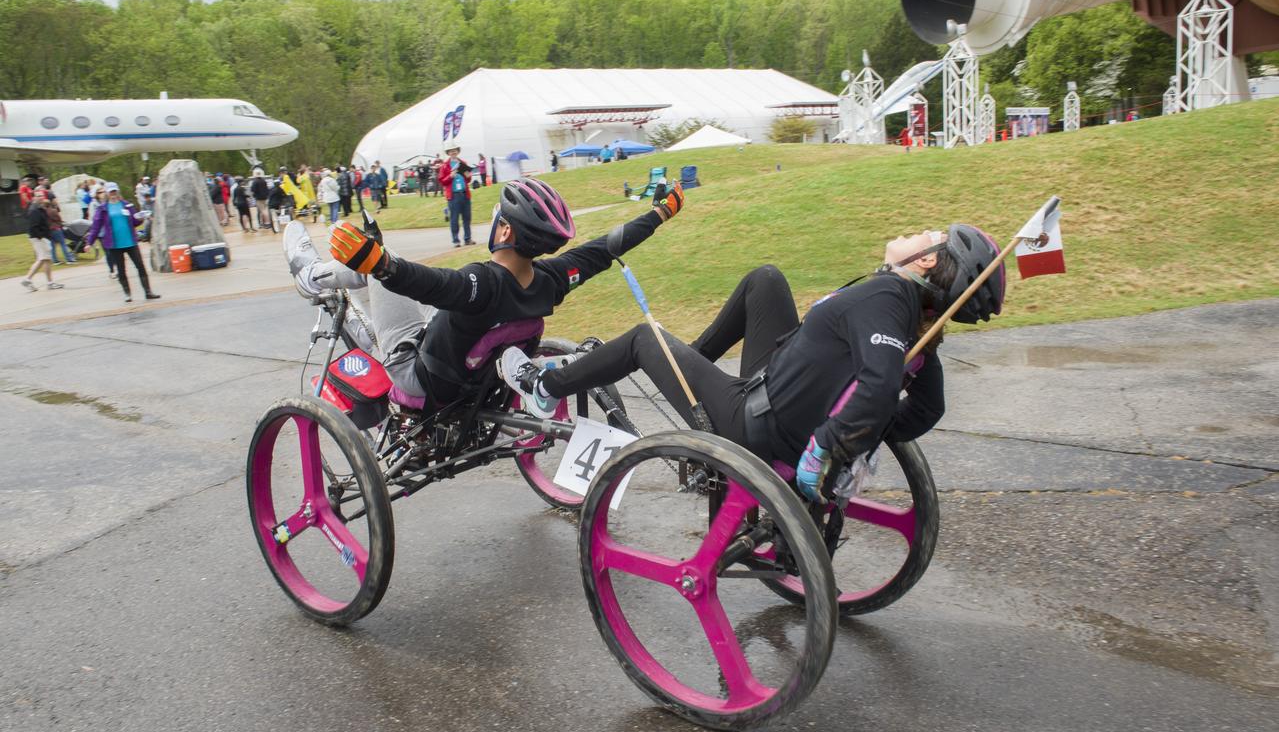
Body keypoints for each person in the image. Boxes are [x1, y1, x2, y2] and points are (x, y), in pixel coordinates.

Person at [501, 224, 1004, 502]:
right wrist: (862, 432)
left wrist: (828, 447)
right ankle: (686, 376)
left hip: (756, 424)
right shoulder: (918, 325)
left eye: (930, 235)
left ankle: (545, 386)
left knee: (642, 338)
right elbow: (926, 409)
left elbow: (877, 389)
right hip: (776, 393)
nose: (920, 231)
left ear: (927, 262)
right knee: (765, 280)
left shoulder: (888, 295)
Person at [286, 176, 684, 410]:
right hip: (476, 379)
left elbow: (431, 283)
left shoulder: (479, 283)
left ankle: (312, 276)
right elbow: (604, 249)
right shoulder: (552, 280)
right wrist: (660, 213)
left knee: (377, 268)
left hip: (420, 378)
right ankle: (342, 283)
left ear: (505, 230)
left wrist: (382, 263)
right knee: (416, 294)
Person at [84, 183, 160, 303]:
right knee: (121, 269)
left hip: (130, 242)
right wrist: (89, 242)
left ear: (118, 191)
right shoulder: (103, 209)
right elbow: (96, 227)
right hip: (115, 244)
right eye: (111, 192)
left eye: (115, 191)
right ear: (107, 193)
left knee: (140, 266)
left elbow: (135, 222)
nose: (113, 194)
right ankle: (127, 294)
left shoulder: (126, 205)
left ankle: (148, 292)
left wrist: (141, 218)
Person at [20, 189, 64, 292]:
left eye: (41, 195)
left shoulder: (40, 208)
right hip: (38, 238)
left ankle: (37, 281)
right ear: (34, 197)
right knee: (44, 259)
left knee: (45, 259)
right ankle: (30, 279)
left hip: (41, 237)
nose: (41, 197)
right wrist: (42, 237)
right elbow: (33, 226)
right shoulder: (34, 210)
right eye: (38, 196)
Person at [437, 143, 473, 247]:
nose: (453, 152)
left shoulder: (463, 163)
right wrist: (450, 176)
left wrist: (468, 176)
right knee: (454, 219)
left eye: (455, 150)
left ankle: (468, 239)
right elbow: (442, 181)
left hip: (464, 194)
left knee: (467, 218)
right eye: (451, 150)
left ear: (458, 151)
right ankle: (456, 240)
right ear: (448, 153)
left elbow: (468, 180)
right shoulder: (445, 165)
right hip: (453, 196)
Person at [44, 191, 76, 264]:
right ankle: (69, 259)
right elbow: (59, 219)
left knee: (52, 246)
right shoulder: (53, 211)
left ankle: (55, 260)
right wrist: (61, 224)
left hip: (49, 230)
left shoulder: (44, 212)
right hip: (56, 229)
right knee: (63, 244)